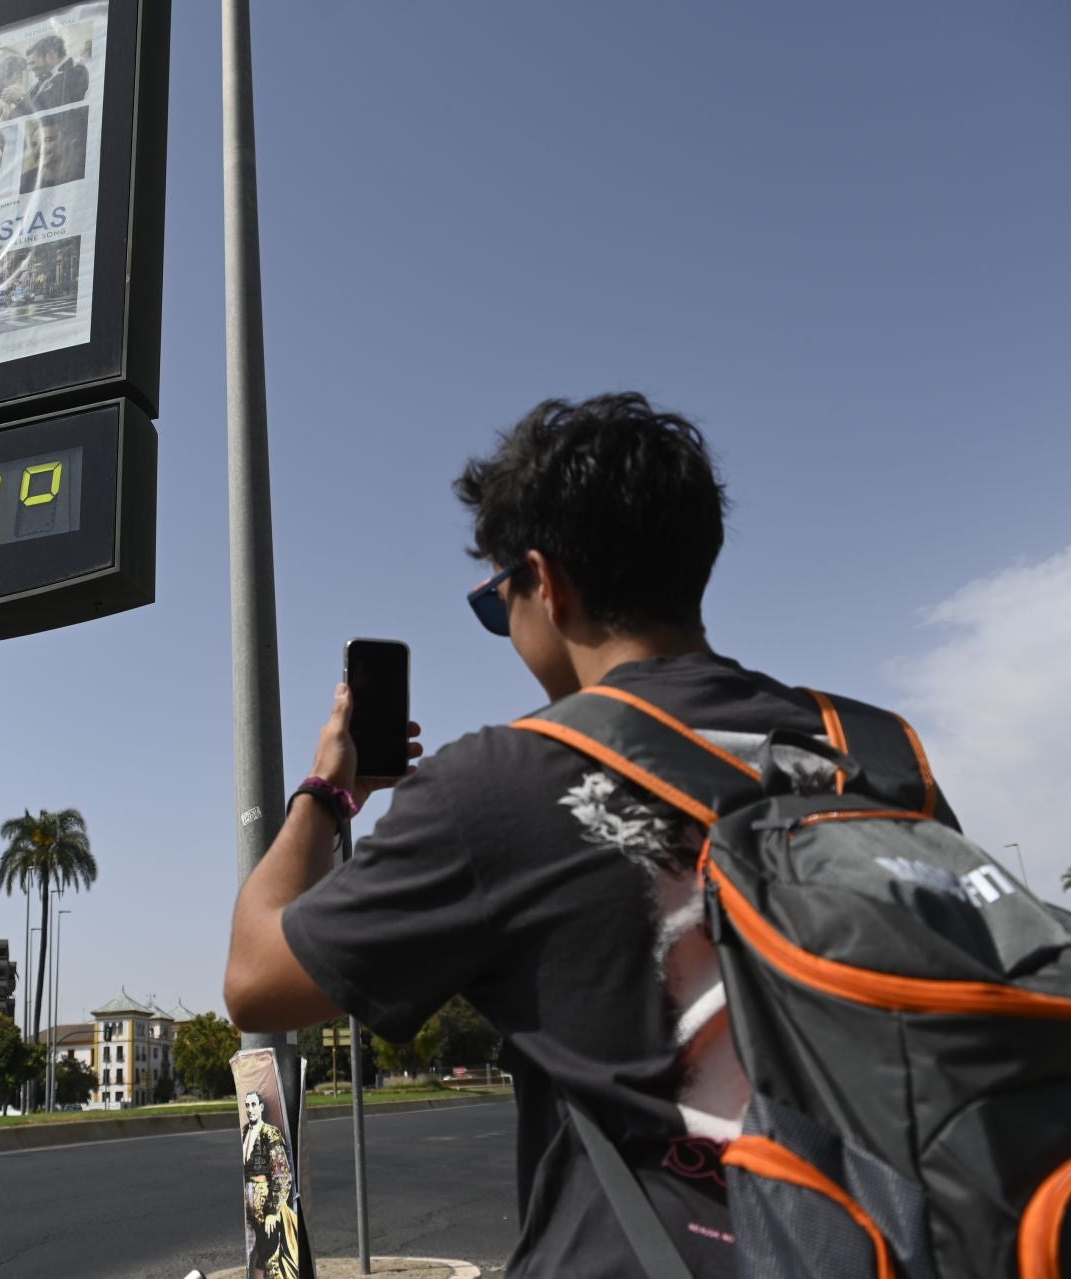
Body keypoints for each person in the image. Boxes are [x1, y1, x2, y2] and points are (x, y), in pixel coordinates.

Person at [224, 392, 956, 1278]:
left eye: (499, 602)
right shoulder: (875, 750)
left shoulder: (501, 784)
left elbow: (257, 981)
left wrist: (329, 792)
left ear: (548, 584)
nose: (506, 626)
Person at [239, 1090, 302, 1279]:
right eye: (247, 1105)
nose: (250, 1109)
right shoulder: (245, 1133)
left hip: (267, 1206)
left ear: (261, 1107)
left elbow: (281, 1173)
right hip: (251, 1206)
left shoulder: (270, 1133)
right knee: (257, 1254)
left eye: (253, 1105)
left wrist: (272, 1210)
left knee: (272, 1255)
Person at [1, 33, 88, 115]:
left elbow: (49, 110)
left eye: (33, 63)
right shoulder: (42, 80)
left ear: (51, 56)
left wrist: (20, 99)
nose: (30, 68)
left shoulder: (76, 72)